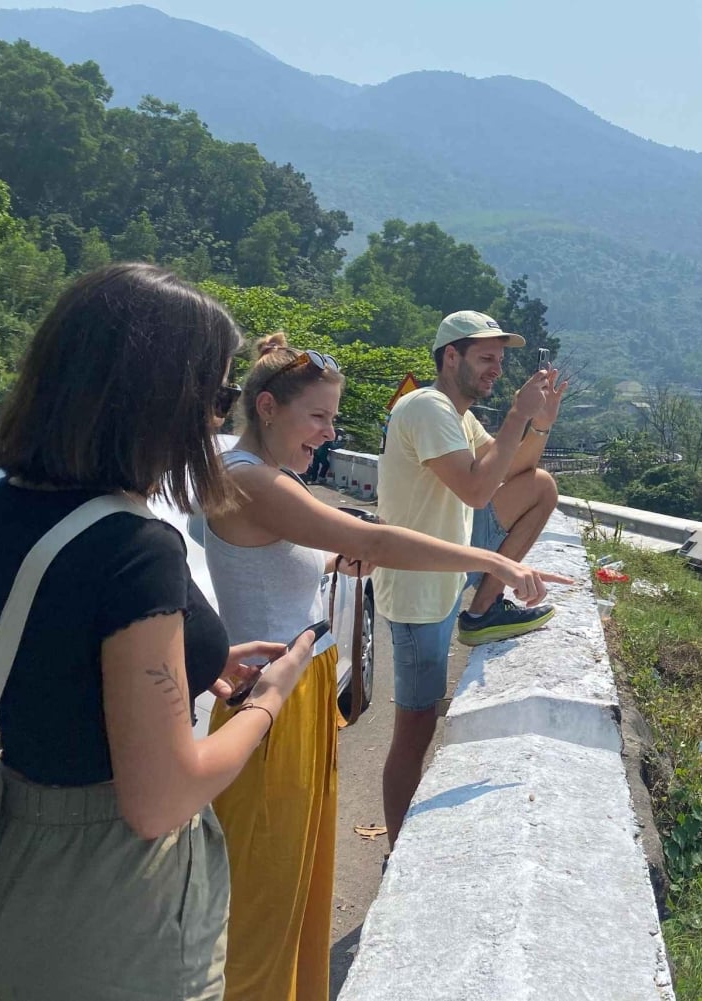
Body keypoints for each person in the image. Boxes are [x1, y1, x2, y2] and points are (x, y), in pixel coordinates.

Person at [0, 263, 314, 1001]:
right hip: (116, 907)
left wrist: (179, 663)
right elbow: (159, 799)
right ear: (155, 399)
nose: (217, 419)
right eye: (215, 396)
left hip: (1, 878)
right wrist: (272, 701)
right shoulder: (134, 545)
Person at [200, 333, 570, 1000]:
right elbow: (370, 535)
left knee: (301, 888)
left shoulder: (272, 478)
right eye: (318, 417)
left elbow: (311, 553)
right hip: (264, 709)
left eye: (333, 418)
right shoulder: (248, 479)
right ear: (267, 407)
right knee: (264, 899)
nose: (330, 432)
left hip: (300, 696)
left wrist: (332, 558)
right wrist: (493, 561)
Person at [374, 309, 566, 847]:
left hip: (444, 570)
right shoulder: (430, 407)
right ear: (450, 357)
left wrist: (540, 420)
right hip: (417, 590)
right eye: (486, 358)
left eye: (500, 361)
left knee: (542, 486)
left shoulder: (457, 414)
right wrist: (514, 414)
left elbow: (513, 468)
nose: (496, 369)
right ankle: (397, 850)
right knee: (414, 732)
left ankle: (482, 610)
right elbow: (479, 491)